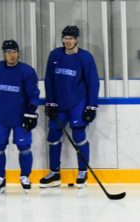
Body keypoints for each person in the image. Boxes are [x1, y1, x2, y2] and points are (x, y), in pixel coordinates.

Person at [40, 25, 100, 189]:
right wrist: (50, 102)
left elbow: (92, 82)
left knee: (79, 137)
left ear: (77, 39)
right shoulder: (55, 55)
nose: (68, 41)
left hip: (77, 103)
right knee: (53, 138)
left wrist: (91, 106)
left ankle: (82, 172)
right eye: (65, 38)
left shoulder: (85, 57)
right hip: (59, 104)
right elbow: (49, 80)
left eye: (71, 38)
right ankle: (55, 173)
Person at [0, 40, 39, 193]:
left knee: (24, 147)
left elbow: (33, 94)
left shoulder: (27, 71)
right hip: (1, 116)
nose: (11, 55)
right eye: (8, 52)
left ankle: (25, 176)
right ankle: (0, 178)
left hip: (20, 116)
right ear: (4, 54)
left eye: (13, 52)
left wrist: (31, 111)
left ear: (18, 53)